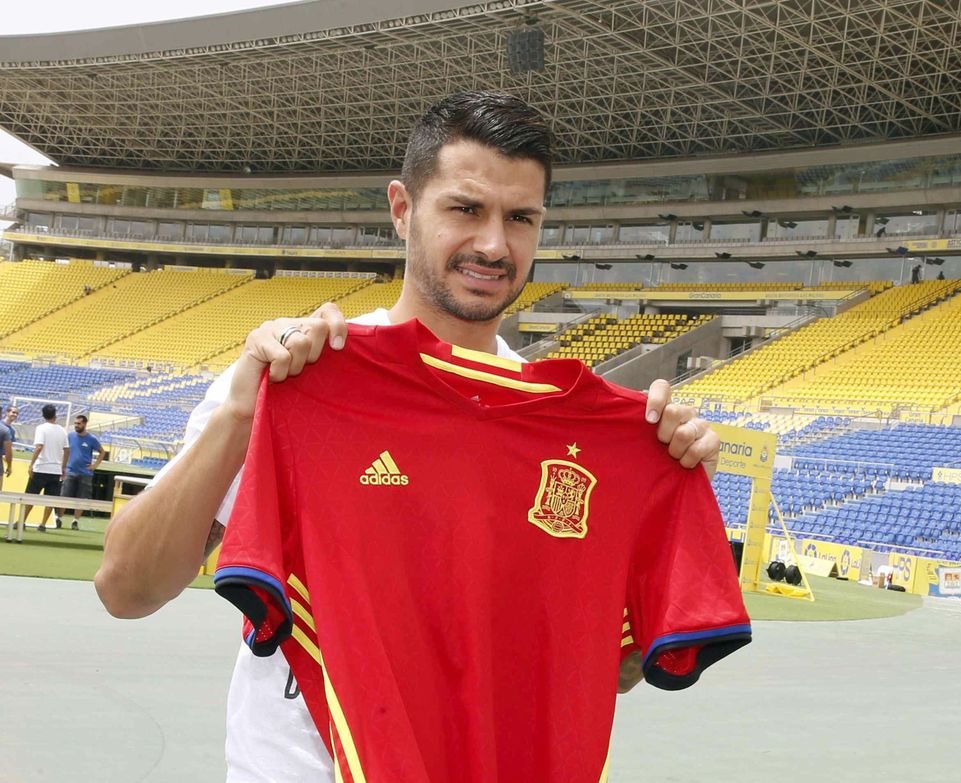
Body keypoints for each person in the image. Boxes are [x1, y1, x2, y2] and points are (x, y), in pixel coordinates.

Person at [95, 90, 723, 783]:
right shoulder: (299, 375)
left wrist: (660, 494)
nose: (493, 243)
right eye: (465, 209)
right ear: (401, 208)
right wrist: (241, 415)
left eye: (521, 218)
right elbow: (126, 588)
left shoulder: (574, 441)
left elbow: (606, 673)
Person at [25, 404, 70, 532]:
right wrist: (63, 467)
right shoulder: (62, 430)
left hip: (41, 468)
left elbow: (39, 447)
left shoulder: (41, 428)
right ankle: (43, 524)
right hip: (55, 470)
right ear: (55, 414)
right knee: (50, 499)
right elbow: (67, 450)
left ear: (43, 415)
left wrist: (31, 464)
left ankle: (22, 520)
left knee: (30, 496)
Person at [59, 414, 104, 530]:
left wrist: (94, 466)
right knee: (64, 496)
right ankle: (59, 518)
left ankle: (75, 521)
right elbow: (65, 451)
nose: (76, 426)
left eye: (78, 423)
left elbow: (102, 452)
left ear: (84, 424)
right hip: (70, 471)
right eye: (75, 423)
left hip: (85, 473)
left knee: (81, 498)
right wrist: (63, 467)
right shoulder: (70, 436)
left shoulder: (92, 439)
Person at [1, 406, 17, 479]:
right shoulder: (1, 425)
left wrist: (9, 464)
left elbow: (9, 448)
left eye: (17, 413)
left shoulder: (12, 431)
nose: (15, 415)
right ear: (7, 412)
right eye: (13, 412)